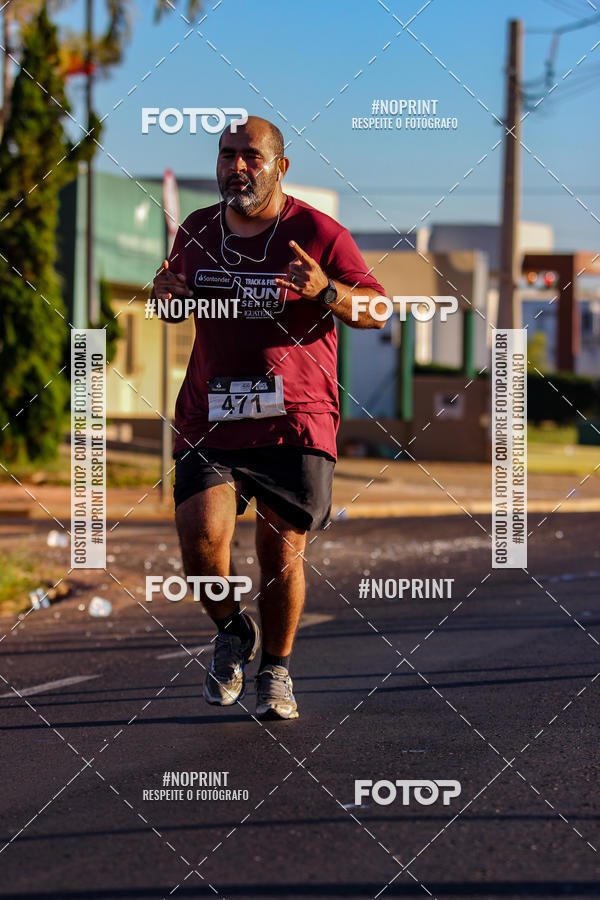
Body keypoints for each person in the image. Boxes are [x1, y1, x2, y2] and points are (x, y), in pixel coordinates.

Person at [152, 115, 385, 720]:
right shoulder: (198, 230)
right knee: (201, 545)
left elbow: (379, 309)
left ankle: (276, 671)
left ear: (280, 166)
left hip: (295, 418)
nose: (237, 166)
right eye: (228, 154)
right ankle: (232, 630)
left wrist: (326, 291)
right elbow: (177, 302)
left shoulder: (317, 231)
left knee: (281, 553)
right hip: (212, 415)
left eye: (251, 156)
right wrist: (168, 299)